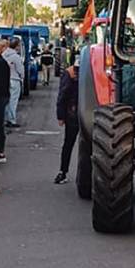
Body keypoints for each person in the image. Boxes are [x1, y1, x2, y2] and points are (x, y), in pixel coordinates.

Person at [55, 56, 80, 184]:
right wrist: (61, 115)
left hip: (74, 111)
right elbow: (63, 95)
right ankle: (63, 171)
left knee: (68, 144)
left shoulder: (70, 72)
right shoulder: (70, 73)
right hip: (73, 112)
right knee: (69, 143)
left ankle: (63, 172)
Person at [3, 37, 24, 127]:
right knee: (13, 100)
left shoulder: (3, 55)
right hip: (15, 80)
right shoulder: (16, 57)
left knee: (6, 100)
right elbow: (20, 70)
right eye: (19, 45)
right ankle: (12, 120)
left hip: (5, 80)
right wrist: (22, 77)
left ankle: (5, 119)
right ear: (16, 46)